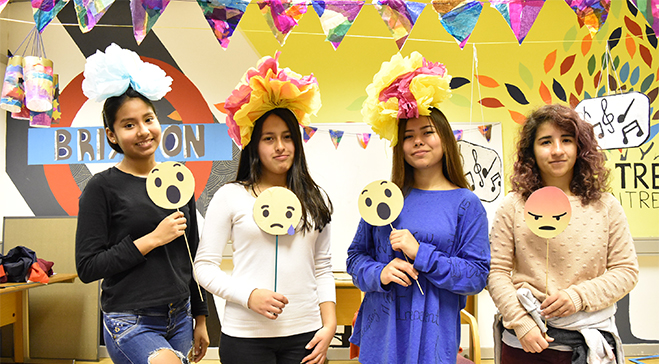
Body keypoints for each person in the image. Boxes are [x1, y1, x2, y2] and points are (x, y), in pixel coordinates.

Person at [347, 52, 491, 364]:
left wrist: (420, 253)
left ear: (444, 138)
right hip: (381, 336)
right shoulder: (384, 197)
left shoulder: (465, 204)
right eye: (408, 136)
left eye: (427, 132)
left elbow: (477, 277)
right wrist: (380, 272)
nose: (418, 142)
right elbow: (355, 259)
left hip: (433, 339)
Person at [194, 53, 336, 364]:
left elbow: (322, 268)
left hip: (306, 335)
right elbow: (203, 268)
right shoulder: (231, 196)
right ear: (254, 146)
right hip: (246, 337)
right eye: (269, 138)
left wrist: (329, 324)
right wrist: (248, 296)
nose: (280, 147)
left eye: (287, 137)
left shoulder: (315, 198)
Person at [75, 44, 209, 364]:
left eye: (148, 119)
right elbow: (88, 267)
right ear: (112, 134)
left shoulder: (179, 179)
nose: (143, 131)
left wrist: (201, 318)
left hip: (180, 315)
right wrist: (152, 239)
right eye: (129, 124)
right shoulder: (101, 187)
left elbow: (192, 253)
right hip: (129, 318)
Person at [487, 104, 640, 364]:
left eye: (566, 140)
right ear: (531, 152)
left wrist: (578, 297)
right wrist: (521, 321)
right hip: (525, 343)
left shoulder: (606, 206)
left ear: (580, 148)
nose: (557, 150)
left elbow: (626, 271)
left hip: (588, 341)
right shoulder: (512, 206)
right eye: (546, 141)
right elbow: (495, 271)